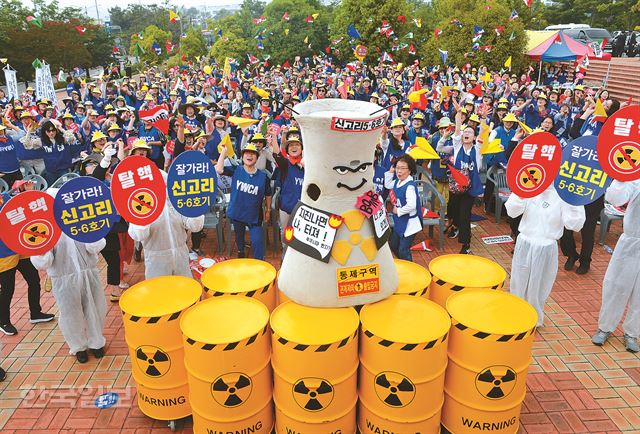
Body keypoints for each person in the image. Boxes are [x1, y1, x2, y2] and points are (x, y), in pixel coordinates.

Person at [505, 185, 585, 327]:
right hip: (525, 241)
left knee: (539, 286)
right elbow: (512, 210)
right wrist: (521, 192)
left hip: (546, 245)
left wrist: (574, 201)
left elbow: (574, 224)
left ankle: (532, 320)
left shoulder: (565, 191)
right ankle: (515, 314)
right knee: (518, 281)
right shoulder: (533, 181)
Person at [31, 229, 107, 364]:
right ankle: (78, 347)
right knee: (70, 314)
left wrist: (91, 236)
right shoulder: (46, 224)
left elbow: (97, 245)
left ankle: (96, 342)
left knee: (95, 308)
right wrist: (43, 249)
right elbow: (42, 263)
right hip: (62, 277)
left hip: (88, 272)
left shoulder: (78, 215)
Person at [592, 180, 640, 353]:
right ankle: (605, 327)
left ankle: (632, 333)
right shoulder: (635, 176)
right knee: (615, 285)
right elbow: (615, 198)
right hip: (631, 240)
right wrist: (621, 178)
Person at [436, 109, 483, 254]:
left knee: (465, 215)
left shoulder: (477, 150)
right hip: (456, 188)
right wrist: (458, 113)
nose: (467, 133)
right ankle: (454, 225)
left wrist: (485, 119)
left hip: (470, 190)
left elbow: (483, 134)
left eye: (470, 132)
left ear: (474, 137)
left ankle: (465, 244)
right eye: (465, 132)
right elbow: (457, 129)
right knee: (452, 209)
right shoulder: (456, 148)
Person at [215, 142, 272, 260]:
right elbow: (219, 169)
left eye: (252, 154)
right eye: (247, 153)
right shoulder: (236, 170)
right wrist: (224, 152)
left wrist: (268, 210)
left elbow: (268, 194)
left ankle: (259, 263)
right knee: (239, 236)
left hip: (255, 215)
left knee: (257, 242)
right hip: (238, 212)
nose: (249, 156)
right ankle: (241, 251)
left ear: (257, 157)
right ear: (242, 156)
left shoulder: (263, 176)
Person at [384, 154, 422, 261]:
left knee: (403, 250)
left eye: (402, 168)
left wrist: (398, 210)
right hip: (400, 221)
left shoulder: (409, 186)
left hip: (410, 224)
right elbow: (387, 185)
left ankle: (410, 269)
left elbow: (412, 205)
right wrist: (390, 172)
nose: (399, 171)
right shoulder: (398, 181)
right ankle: (403, 263)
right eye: (397, 168)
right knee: (393, 245)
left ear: (410, 170)